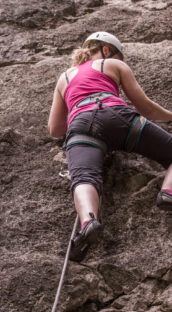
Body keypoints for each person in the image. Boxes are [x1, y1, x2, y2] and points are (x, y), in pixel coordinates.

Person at [47, 32, 172, 262]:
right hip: (115, 114)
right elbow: (146, 107)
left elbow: (55, 129)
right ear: (106, 50)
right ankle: (168, 193)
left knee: (83, 178)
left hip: (80, 125)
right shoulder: (112, 64)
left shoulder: (64, 77)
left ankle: (89, 221)